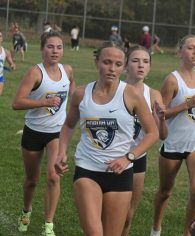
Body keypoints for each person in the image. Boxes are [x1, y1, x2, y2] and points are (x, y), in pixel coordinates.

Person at [54, 41, 159, 236]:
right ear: (97, 62)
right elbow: (68, 125)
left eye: (118, 64)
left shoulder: (132, 95)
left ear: (124, 66)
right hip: (88, 169)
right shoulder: (81, 94)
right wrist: (61, 152)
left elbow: (153, 133)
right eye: (107, 62)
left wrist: (129, 157)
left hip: (121, 174)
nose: (112, 69)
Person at [150, 35, 195, 236]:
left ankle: (187, 233)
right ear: (180, 51)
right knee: (165, 192)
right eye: (190, 48)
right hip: (172, 144)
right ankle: (156, 229)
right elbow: (161, 114)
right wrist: (185, 105)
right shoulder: (172, 80)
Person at [12, 31, 76, 236]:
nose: (55, 51)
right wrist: (44, 102)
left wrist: (77, 105)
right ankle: (26, 210)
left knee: (53, 177)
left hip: (56, 133)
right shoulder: (35, 73)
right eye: (50, 47)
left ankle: (48, 224)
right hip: (33, 132)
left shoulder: (68, 71)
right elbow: (17, 102)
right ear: (42, 49)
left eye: (59, 47)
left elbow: (72, 90)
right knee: (32, 179)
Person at [121, 45, 168, 236]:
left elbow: (163, 135)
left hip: (137, 157)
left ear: (149, 67)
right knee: (108, 211)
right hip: (112, 155)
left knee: (127, 215)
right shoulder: (116, 89)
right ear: (125, 65)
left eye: (145, 61)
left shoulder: (153, 95)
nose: (141, 65)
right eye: (135, 60)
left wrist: (162, 118)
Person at [0, 30, 16, 96]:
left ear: (2, 38)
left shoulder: (6, 52)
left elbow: (12, 64)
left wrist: (12, 65)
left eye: (0, 36)